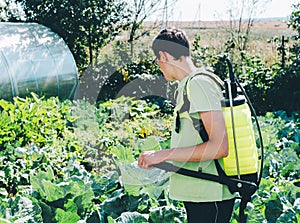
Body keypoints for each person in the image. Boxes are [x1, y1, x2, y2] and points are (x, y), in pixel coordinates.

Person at [138, 28, 236, 223]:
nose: (158, 65)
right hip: (199, 193)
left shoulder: (199, 85)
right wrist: (161, 160)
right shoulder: (188, 85)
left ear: (163, 56)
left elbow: (219, 146)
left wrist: (163, 154)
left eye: (157, 60)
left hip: (211, 195)